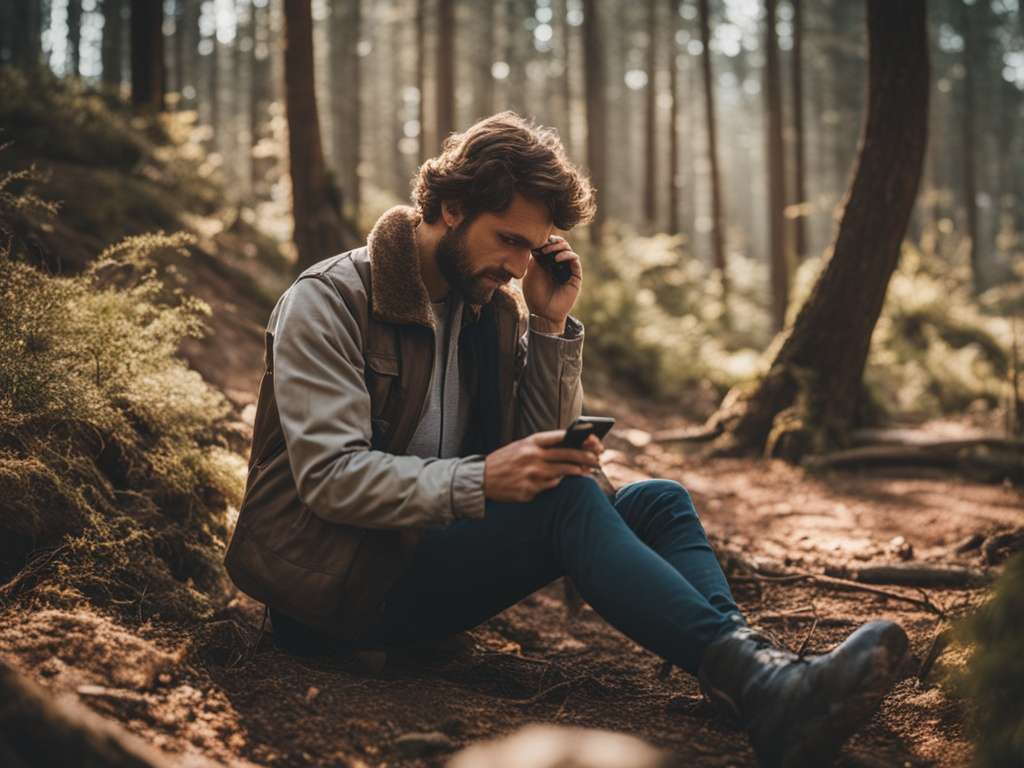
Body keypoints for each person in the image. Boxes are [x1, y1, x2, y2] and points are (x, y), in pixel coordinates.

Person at [225, 112, 908, 767]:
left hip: (426, 557)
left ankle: (751, 675)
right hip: (335, 589)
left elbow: (538, 455)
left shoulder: (489, 308)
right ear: (454, 207)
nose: (522, 267)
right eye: (509, 240)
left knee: (661, 501)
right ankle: (767, 689)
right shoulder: (332, 300)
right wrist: (480, 480)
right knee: (568, 505)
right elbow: (330, 479)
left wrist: (549, 328)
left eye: (532, 246)